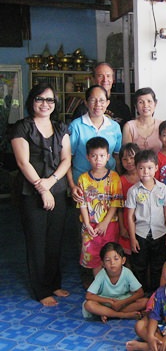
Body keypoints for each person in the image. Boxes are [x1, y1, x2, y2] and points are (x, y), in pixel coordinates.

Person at [10, 83, 71, 306]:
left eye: (50, 100)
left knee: (55, 239)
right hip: (31, 191)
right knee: (37, 241)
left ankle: (54, 283)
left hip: (57, 188)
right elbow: (22, 162)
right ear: (31, 101)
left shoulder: (61, 128)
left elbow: (66, 160)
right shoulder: (22, 128)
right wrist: (41, 188)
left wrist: (52, 182)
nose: (45, 104)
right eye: (40, 99)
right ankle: (40, 289)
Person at [126, 149, 166, 293]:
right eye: (141, 168)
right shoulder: (134, 191)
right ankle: (139, 294)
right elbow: (130, 216)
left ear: (156, 168)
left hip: (160, 234)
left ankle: (155, 294)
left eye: (149, 168)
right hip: (140, 234)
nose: (145, 172)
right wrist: (132, 238)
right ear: (136, 168)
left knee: (157, 266)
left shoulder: (162, 188)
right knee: (139, 266)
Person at [78, 137, 124, 277]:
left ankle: (112, 285)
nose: (98, 159)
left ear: (108, 157)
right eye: (94, 156)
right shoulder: (83, 179)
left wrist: (105, 223)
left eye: (102, 156)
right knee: (94, 256)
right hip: (90, 226)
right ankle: (99, 285)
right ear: (87, 157)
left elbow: (116, 203)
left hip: (109, 225)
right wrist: (87, 224)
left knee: (111, 255)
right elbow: (82, 203)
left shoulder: (114, 177)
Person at [68, 85, 122, 202]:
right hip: (82, 185)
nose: (98, 104)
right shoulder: (76, 126)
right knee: (85, 218)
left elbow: (117, 157)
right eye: (93, 100)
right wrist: (72, 186)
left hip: (108, 184)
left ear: (107, 103)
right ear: (86, 103)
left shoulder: (115, 127)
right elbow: (67, 158)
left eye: (102, 100)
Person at [83, 242, 147, 322]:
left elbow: (140, 292)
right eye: (107, 260)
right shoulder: (102, 274)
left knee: (144, 302)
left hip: (123, 302)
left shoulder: (127, 273)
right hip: (105, 303)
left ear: (123, 260)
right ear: (103, 263)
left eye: (116, 259)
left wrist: (122, 303)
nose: (112, 263)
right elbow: (88, 296)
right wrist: (109, 301)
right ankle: (122, 315)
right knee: (89, 305)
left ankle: (107, 314)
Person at [72, 62, 131, 129]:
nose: (105, 80)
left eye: (108, 76)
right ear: (93, 79)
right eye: (100, 76)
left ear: (113, 79)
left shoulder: (122, 108)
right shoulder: (83, 109)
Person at [122, 87, 163, 152]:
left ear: (155, 104)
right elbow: (127, 155)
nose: (145, 105)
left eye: (149, 101)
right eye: (141, 102)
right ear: (136, 106)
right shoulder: (129, 127)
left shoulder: (162, 126)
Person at [118, 143, 141, 257]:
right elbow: (120, 207)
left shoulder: (146, 176)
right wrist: (122, 227)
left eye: (132, 157)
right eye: (125, 159)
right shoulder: (121, 180)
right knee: (129, 256)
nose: (129, 161)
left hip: (144, 224)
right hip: (128, 223)